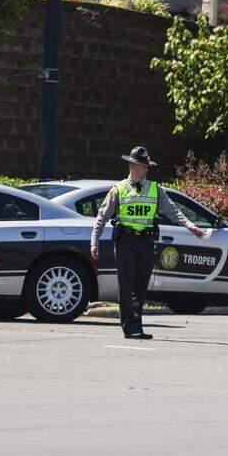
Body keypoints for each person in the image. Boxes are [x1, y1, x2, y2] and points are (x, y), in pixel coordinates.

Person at [90, 146, 207, 340]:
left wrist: (189, 225)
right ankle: (128, 327)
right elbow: (101, 217)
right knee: (126, 285)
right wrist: (94, 241)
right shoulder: (118, 190)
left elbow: (173, 210)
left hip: (146, 241)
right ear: (134, 166)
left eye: (147, 166)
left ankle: (138, 325)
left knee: (141, 286)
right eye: (144, 166)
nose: (147, 170)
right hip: (126, 241)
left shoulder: (155, 189)